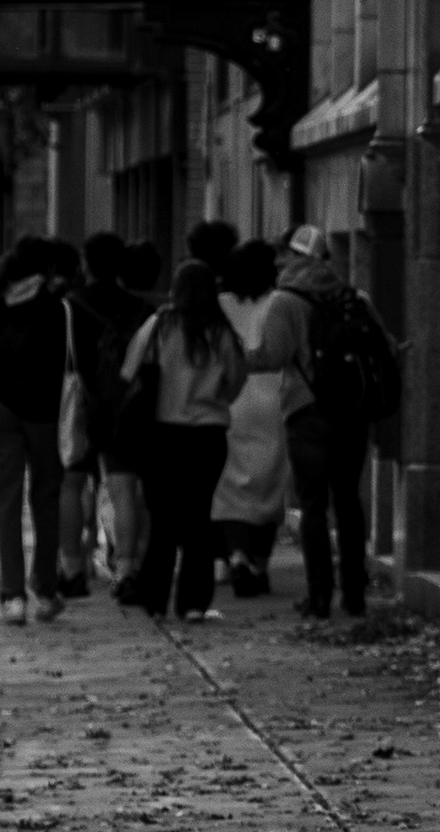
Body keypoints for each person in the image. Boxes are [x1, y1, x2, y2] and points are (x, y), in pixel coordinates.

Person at [116, 260, 248, 621]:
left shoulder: (159, 325)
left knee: (162, 519)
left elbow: (129, 369)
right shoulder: (221, 331)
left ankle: (155, 598)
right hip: (207, 434)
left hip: (162, 433)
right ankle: (193, 602)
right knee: (198, 518)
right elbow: (236, 380)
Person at [279, 224, 396, 617]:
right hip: (350, 411)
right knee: (348, 500)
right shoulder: (354, 297)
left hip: (306, 410)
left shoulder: (285, 300)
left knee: (313, 505)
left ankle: (318, 596)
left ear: (295, 257)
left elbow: (269, 353)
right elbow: (387, 346)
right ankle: (355, 594)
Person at [0, 237, 81, 624]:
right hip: (46, 413)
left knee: (6, 503)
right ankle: (45, 590)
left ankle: (12, 597)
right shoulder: (58, 309)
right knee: (46, 499)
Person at [211, 237, 304, 597]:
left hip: (230, 399)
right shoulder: (279, 303)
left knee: (230, 487)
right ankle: (260, 564)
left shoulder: (220, 305)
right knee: (270, 487)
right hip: (273, 401)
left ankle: (236, 554)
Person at [76, 234, 157, 583]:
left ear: (86, 263)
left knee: (84, 482)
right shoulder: (144, 310)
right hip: (137, 405)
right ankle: (133, 559)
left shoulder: (72, 305)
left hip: (89, 405)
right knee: (136, 490)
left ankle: (83, 552)